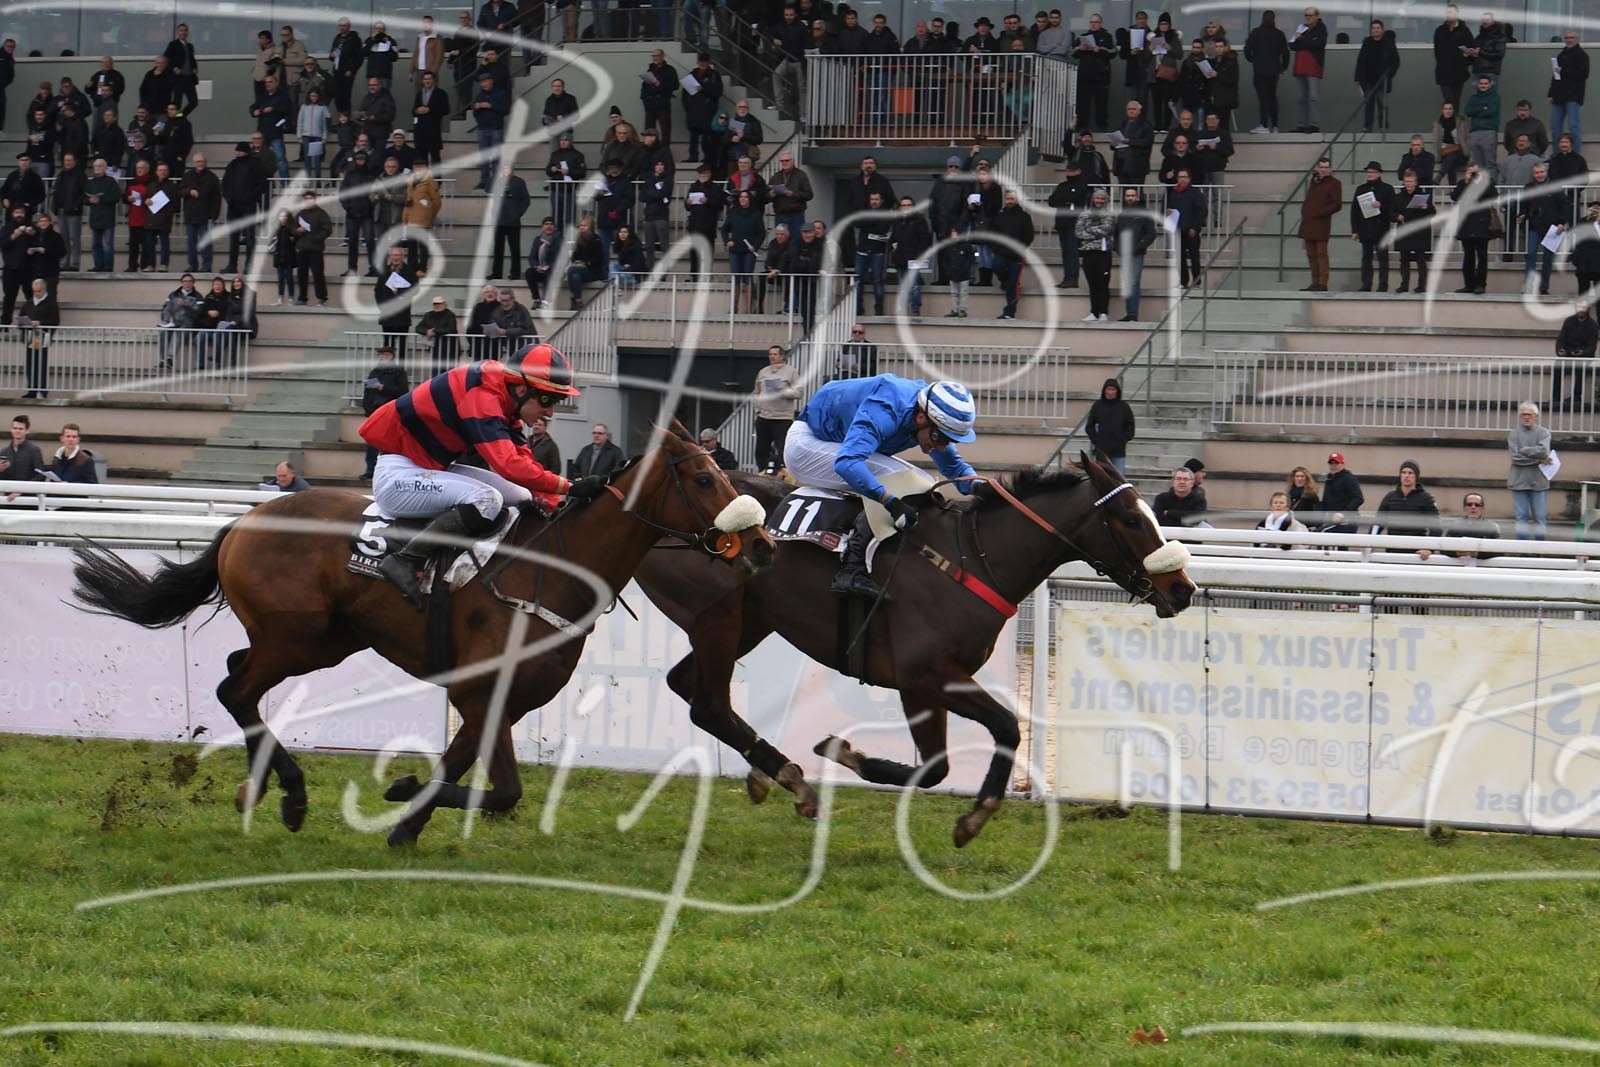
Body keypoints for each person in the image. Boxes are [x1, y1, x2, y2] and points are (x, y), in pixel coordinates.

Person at [360, 343, 600, 608]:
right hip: (398, 477)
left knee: (522, 495)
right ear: (522, 389)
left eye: (556, 402)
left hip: (427, 468)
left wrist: (559, 502)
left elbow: (524, 461)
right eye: (547, 400)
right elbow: (508, 465)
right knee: (487, 500)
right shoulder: (483, 396)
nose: (551, 412)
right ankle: (405, 560)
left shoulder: (505, 398)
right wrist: (569, 486)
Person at [787, 375, 978, 598]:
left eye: (949, 440)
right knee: (907, 479)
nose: (941, 446)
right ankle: (851, 569)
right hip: (806, 445)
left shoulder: (927, 414)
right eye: (939, 437)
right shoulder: (886, 410)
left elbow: (954, 467)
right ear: (920, 418)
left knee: (920, 481)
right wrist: (890, 502)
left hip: (836, 442)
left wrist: (980, 486)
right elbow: (847, 463)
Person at [359, 345, 410, 478]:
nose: (383, 358)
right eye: (381, 355)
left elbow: (403, 391)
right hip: (375, 411)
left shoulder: (398, 372)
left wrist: (383, 387)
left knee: (389, 442)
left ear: (391, 356)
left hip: (389, 411)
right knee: (372, 441)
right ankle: (370, 470)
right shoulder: (375, 372)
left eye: (386, 355)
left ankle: (389, 470)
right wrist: (367, 409)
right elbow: (367, 392)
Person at [1508, 401, 1553, 540]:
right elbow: (1516, 458)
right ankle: (1522, 548)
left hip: (1539, 482)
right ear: (1520, 416)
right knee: (1521, 517)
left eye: (1529, 414)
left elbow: (1544, 451)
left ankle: (1540, 547)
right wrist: (1539, 460)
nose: (1526, 417)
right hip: (1518, 481)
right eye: (1523, 415)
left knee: (1540, 517)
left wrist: (1525, 450)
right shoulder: (1513, 434)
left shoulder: (1544, 433)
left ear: (1536, 416)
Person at [1374, 460, 1440, 554]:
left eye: (1410, 473)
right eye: (1403, 472)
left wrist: (1429, 549)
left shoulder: (1426, 498)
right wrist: (1369, 543)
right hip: (1392, 552)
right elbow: (1377, 524)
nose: (1406, 476)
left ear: (1416, 476)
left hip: (1416, 554)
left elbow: (1436, 527)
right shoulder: (1390, 497)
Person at [1350, 160, 1395, 293]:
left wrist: (1381, 206)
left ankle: (1383, 285)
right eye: (1368, 172)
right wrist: (1355, 230)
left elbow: (1393, 207)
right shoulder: (1361, 189)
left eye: (1372, 172)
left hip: (1381, 228)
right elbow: (1354, 210)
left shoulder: (1387, 189)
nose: (1369, 174)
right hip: (1365, 228)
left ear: (1379, 174)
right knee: (1366, 258)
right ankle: (1366, 284)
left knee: (1382, 258)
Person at [754, 344, 799, 474]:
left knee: (783, 449)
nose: (772, 357)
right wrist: (757, 408)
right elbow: (756, 392)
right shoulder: (763, 372)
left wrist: (783, 391)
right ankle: (762, 473)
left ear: (781, 356)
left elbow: (798, 393)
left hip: (782, 418)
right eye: (770, 354)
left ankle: (784, 475)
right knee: (761, 450)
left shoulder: (791, 372)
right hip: (764, 416)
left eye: (775, 354)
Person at [1453, 164, 1496, 294]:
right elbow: (1455, 197)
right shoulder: (1462, 183)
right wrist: (1466, 182)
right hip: (1466, 224)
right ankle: (1469, 285)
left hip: (1482, 224)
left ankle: (1480, 285)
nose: (1473, 175)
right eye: (1471, 172)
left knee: (1482, 257)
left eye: (1475, 172)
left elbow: (1493, 196)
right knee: (1468, 257)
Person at [1298, 157, 1340, 292]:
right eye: (1321, 167)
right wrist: (1306, 211)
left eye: (1326, 167)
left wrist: (1319, 212)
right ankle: (1315, 281)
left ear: (1330, 169)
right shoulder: (1314, 182)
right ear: (1318, 168)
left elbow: (1336, 204)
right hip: (1309, 222)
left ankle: (1323, 282)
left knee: (1321, 253)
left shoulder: (1334, 183)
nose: (1323, 170)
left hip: (1321, 223)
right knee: (1311, 254)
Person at [1115, 186, 1156, 322]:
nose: (1130, 198)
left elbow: (1151, 234)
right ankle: (1130, 314)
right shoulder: (1122, 215)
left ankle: (1132, 314)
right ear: (1124, 198)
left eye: (1132, 195)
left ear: (1137, 197)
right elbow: (1117, 234)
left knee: (1133, 282)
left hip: (1137, 254)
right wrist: (1117, 248)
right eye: (1128, 196)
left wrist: (1139, 246)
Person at [1244, 10, 1289, 133]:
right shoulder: (1279, 34)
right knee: (1272, 97)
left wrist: (1253, 60)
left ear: (1262, 19)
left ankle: (1264, 125)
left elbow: (1247, 50)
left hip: (1260, 70)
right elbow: (1286, 53)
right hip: (1274, 71)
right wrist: (1284, 67)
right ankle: (1275, 126)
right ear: (1274, 19)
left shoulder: (1256, 32)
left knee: (1263, 97)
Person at [1076, 188, 1116, 322]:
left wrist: (1088, 230)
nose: (1099, 201)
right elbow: (1078, 232)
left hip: (1103, 253)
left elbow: (1106, 230)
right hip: (1088, 252)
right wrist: (1095, 232)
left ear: (1106, 200)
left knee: (1103, 283)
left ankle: (1103, 312)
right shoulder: (1084, 214)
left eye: (1102, 198)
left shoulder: (1109, 215)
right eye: (1097, 198)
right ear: (1093, 199)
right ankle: (1094, 312)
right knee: (1092, 284)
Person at [1355, 19, 1399, 133]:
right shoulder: (1367, 42)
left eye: (1378, 28)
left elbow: (1396, 61)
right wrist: (1358, 78)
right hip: (1368, 80)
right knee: (1368, 104)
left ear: (1382, 30)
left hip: (1382, 81)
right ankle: (1367, 127)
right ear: (1371, 30)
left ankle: (1383, 127)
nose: (1376, 30)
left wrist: (1389, 75)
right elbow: (1360, 61)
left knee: (1382, 105)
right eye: (1374, 28)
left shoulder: (1388, 43)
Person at [1393, 171, 1434, 294]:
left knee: (1421, 259)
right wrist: (1397, 216)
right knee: (1404, 259)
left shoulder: (1424, 196)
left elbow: (1433, 213)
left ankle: (1422, 286)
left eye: (1411, 181)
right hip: (1404, 230)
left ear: (1415, 183)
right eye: (1406, 181)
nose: (1408, 184)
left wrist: (1426, 207)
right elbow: (1391, 213)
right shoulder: (1398, 197)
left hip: (1419, 232)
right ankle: (1404, 285)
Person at [1554, 300, 1599, 411]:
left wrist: (1582, 353)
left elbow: (1592, 346)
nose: (1581, 310)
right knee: (1557, 366)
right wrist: (1560, 350)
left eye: (1584, 307)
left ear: (1588, 309)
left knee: (1580, 366)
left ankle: (1576, 397)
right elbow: (1561, 339)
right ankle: (1556, 397)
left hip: (1584, 355)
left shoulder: (1593, 325)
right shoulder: (1568, 321)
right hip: (1568, 353)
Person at [1288, 6, 1327, 133]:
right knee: (1301, 98)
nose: (1308, 18)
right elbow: (1292, 45)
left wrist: (1302, 40)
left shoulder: (1321, 29)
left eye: (1310, 15)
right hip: (1300, 67)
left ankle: (1314, 125)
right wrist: (1304, 42)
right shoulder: (1302, 27)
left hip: (1313, 67)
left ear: (1317, 16)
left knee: (1313, 97)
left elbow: (1318, 44)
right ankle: (1302, 125)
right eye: (1306, 15)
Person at [1166, 169, 1207, 289]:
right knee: (1180, 258)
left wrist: (1195, 227)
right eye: (1180, 177)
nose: (1182, 179)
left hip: (1191, 231)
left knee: (1194, 257)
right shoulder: (1174, 192)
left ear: (1189, 179)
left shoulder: (1195, 193)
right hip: (1178, 230)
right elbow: (1170, 209)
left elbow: (1202, 211)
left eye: (1185, 177)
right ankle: (1183, 281)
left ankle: (1196, 282)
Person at [18, 278, 57, 399]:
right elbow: (22, 316)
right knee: (30, 365)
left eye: (38, 291)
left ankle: (42, 390)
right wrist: (21, 323)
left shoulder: (51, 303)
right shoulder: (29, 303)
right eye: (34, 291)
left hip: (42, 337)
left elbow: (55, 321)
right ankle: (32, 390)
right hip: (30, 337)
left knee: (41, 365)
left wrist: (40, 323)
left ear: (44, 290)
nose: (36, 293)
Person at [1086, 378, 1134, 474]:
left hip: (1118, 452)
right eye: (1108, 389)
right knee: (1100, 478)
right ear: (1104, 391)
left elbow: (1130, 426)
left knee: (1118, 479)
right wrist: (1096, 440)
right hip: (1101, 451)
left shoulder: (1124, 407)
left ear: (1117, 391)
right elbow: (1089, 426)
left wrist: (1123, 439)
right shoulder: (1097, 406)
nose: (1110, 392)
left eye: (1113, 389)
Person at [293, 190, 333, 306]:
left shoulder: (321, 213)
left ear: (314, 199)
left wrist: (316, 238)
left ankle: (322, 298)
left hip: (316, 249)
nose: (308, 201)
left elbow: (327, 229)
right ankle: (302, 298)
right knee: (301, 275)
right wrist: (298, 231)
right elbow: (293, 230)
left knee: (318, 274)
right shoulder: (300, 213)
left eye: (310, 198)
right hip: (302, 249)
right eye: (306, 198)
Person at [1551, 29, 1588, 152]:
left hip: (1573, 96)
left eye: (1571, 37)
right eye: (1566, 38)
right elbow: (1555, 76)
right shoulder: (1561, 55)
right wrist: (1551, 93)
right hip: (1558, 95)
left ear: (1577, 39)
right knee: (1555, 127)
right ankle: (1557, 155)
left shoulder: (1582, 55)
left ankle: (1575, 154)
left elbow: (1583, 75)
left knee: (1573, 125)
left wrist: (1564, 71)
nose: (1569, 40)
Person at [491, 164, 528, 279]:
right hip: (499, 221)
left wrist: (518, 213)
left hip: (513, 222)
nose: (506, 171)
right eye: (504, 168)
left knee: (515, 249)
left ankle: (515, 273)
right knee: (498, 249)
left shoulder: (519, 182)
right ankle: (496, 273)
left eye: (508, 168)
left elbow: (526, 200)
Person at [1434, 5, 1474, 110]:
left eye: (1451, 12)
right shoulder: (1440, 30)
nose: (1449, 15)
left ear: (1457, 14)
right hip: (1443, 72)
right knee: (1448, 100)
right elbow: (1437, 52)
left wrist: (1467, 56)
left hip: (1458, 72)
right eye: (1447, 12)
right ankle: (1448, 119)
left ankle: (1453, 119)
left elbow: (1472, 48)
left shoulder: (1464, 31)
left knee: (1455, 100)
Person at [1443, 493, 1503, 561]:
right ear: (1464, 508)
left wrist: (1478, 554)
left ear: (1482, 508)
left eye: (1477, 505)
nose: (1473, 507)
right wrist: (1458, 553)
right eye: (1469, 504)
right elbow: (1443, 549)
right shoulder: (1455, 525)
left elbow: (1500, 551)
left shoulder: (1492, 527)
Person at [1110, 100, 1155, 186]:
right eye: (1129, 109)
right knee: (1123, 191)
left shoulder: (1145, 124)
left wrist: (1130, 141)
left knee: (1136, 191)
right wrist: (1113, 144)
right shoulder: (1123, 123)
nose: (1131, 111)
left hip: (1136, 166)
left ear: (1139, 111)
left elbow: (1147, 142)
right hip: (1121, 164)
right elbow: (1118, 138)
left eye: (1134, 109)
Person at [1464, 75, 1500, 180]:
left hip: (1489, 132)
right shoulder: (1474, 97)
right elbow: (1468, 111)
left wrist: (1476, 110)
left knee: (1490, 163)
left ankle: (1492, 186)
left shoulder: (1494, 97)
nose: (1483, 85)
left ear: (1490, 84)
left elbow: (1490, 112)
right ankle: (1481, 187)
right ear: (1478, 85)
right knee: (1478, 165)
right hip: (1474, 132)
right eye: (1481, 83)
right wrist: (1483, 107)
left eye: (1485, 83)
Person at [0, 413, 44, 497]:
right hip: (8, 499)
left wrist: (21, 491)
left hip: (27, 499)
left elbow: (40, 476)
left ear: (27, 431)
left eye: (21, 429)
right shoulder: (4, 452)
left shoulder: (34, 450)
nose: (17, 431)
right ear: (11, 430)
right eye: (15, 428)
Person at [1321, 450, 1364, 533]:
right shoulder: (1329, 480)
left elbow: (1358, 498)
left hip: (1348, 520)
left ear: (1342, 464)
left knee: (1322, 533)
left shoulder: (1349, 478)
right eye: (1331, 463)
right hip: (1332, 520)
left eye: (1336, 463)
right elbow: (1325, 502)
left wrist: (1343, 513)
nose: (1333, 465)